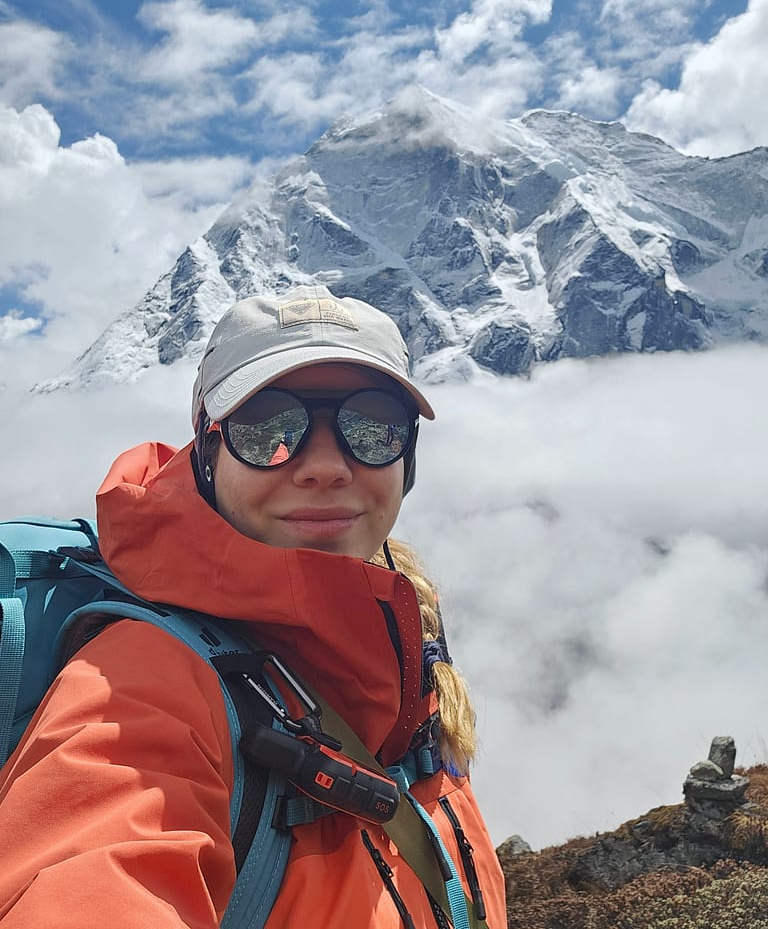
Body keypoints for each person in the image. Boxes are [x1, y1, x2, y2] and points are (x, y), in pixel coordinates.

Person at [0, 285, 507, 928]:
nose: (325, 465)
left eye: (371, 426)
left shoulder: (406, 641)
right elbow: (90, 867)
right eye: (269, 426)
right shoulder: (143, 683)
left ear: (408, 457)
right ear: (208, 453)